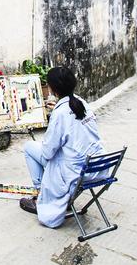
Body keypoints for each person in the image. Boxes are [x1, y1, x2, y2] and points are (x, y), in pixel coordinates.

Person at [19, 66, 104, 228]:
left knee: (30, 147)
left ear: (53, 89)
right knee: (49, 150)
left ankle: (39, 195)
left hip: (75, 171)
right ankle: (43, 192)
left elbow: (48, 152)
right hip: (97, 166)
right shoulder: (82, 103)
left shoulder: (60, 113)